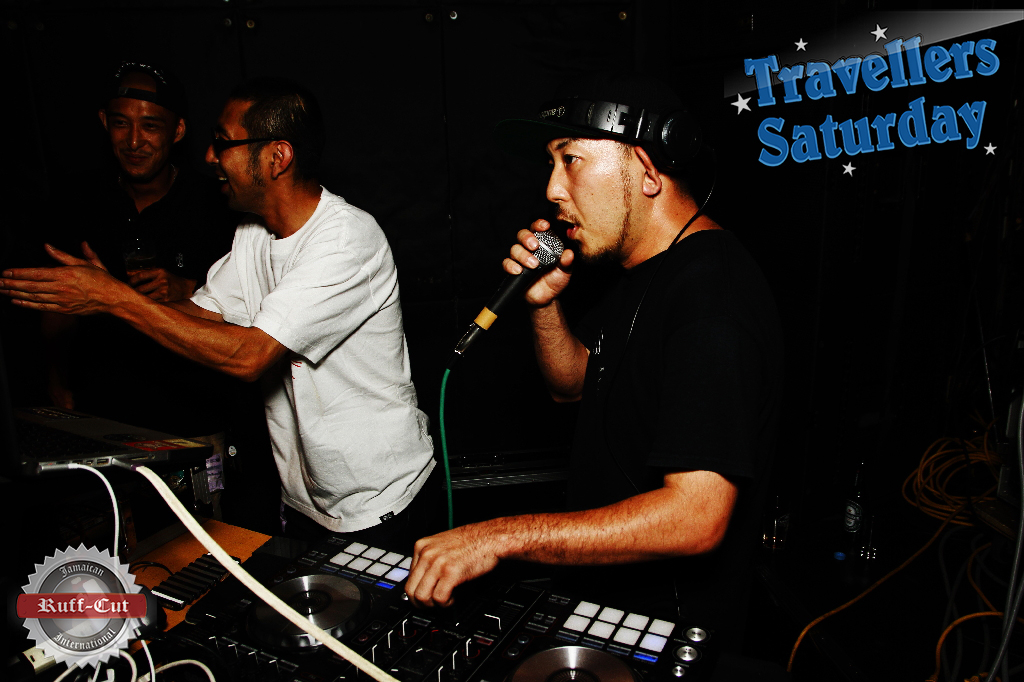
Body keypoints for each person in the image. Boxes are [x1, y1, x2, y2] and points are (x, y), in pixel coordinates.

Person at [403, 73, 783, 650]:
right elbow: (574, 384)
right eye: (551, 164)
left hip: (668, 635)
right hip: (606, 612)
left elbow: (696, 517)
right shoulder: (639, 270)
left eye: (571, 160)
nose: (553, 189)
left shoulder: (714, 300)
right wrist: (545, 304)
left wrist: (499, 537)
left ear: (647, 170)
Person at [1, 78, 436, 546]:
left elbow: (250, 355)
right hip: (306, 498)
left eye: (223, 143)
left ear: (277, 157)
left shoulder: (346, 239)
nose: (210, 157)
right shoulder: (254, 233)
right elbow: (199, 316)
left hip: (379, 501)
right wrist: (109, 298)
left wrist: (115, 299)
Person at [41, 61, 236, 437]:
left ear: (177, 131)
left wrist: (191, 290)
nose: (133, 142)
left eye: (150, 126)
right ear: (104, 121)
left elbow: (255, 318)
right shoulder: (78, 201)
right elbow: (56, 305)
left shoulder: (219, 203)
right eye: (121, 123)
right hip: (102, 411)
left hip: (194, 413)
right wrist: (56, 383)